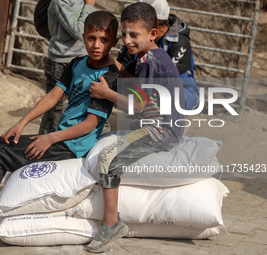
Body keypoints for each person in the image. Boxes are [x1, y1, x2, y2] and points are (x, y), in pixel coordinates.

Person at [0, 10, 120, 242]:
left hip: (72, 146)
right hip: (60, 137)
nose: (96, 45)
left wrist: (50, 138)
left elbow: (89, 125)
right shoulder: (78, 63)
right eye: (91, 38)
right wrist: (21, 123)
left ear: (114, 42)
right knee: (1, 141)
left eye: (104, 40)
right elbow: (53, 97)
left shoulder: (108, 77)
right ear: (83, 36)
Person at [87, 2, 185, 253]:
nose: (127, 41)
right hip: (151, 125)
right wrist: (107, 59)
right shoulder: (144, 57)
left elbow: (139, 106)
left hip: (161, 132)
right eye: (124, 34)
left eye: (134, 35)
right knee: (105, 141)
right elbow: (125, 76)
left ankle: (111, 223)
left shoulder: (154, 60)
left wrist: (106, 93)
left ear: (153, 34)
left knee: (109, 159)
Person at [117, 0, 199, 110]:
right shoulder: (134, 39)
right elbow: (123, 68)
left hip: (180, 89)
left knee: (159, 98)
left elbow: (163, 77)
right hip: (144, 83)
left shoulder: (179, 41)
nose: (127, 40)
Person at [38, 0, 96, 134]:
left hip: (81, 61)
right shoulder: (60, 2)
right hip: (61, 63)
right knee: (53, 113)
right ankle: (43, 149)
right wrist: (89, 6)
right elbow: (79, 31)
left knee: (82, 107)